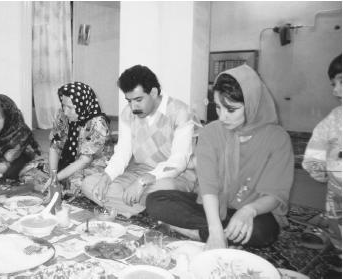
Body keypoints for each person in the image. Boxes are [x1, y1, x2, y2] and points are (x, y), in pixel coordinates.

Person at [147, 64, 294, 249]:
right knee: (155, 201)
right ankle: (217, 232)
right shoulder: (211, 132)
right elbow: (208, 187)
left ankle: (194, 232)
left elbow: (274, 194)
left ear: (252, 105)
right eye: (218, 107)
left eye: (231, 110)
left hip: (254, 209)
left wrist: (249, 211)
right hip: (213, 207)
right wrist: (216, 230)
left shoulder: (277, 138)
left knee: (263, 232)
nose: (222, 117)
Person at [82, 65, 198, 218]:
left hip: (175, 176)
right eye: (129, 101)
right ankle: (148, 211)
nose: (133, 107)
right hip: (139, 172)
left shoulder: (180, 112)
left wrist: (142, 182)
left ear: (154, 92)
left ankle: (140, 207)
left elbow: (178, 161)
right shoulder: (128, 114)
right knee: (90, 184)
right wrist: (106, 177)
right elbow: (122, 152)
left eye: (138, 100)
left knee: (163, 190)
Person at [19, 82, 110, 198]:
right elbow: (55, 145)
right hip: (66, 159)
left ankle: (60, 188)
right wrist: (53, 174)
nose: (66, 112)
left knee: (79, 184)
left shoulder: (97, 124)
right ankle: (57, 186)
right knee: (28, 171)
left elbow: (84, 160)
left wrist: (57, 177)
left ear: (83, 105)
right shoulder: (62, 114)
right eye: (64, 105)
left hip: (88, 164)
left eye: (71, 108)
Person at [302, 54, 342, 249]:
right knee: (338, 227)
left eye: (341, 81)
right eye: (333, 84)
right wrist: (317, 167)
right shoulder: (334, 119)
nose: (336, 91)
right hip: (337, 192)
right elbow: (317, 145)